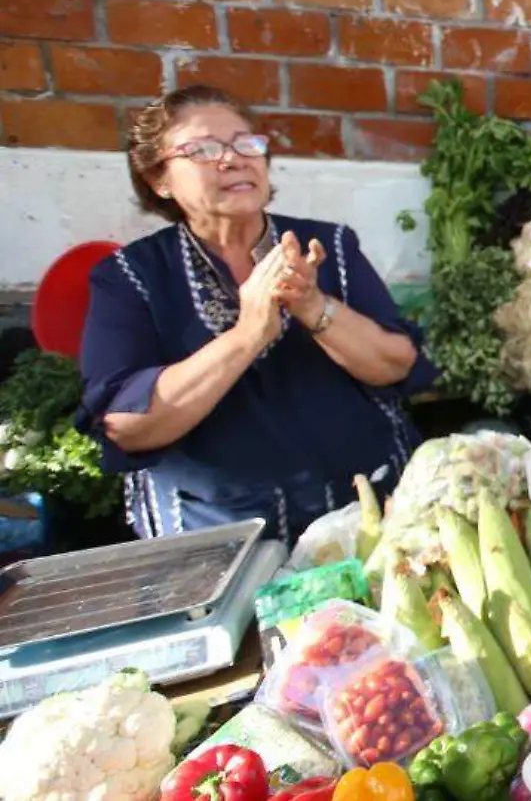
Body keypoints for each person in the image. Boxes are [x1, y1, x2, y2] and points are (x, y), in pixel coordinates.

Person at [76, 85, 434, 542]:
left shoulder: (330, 247)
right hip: (224, 539)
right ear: (157, 179)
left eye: (246, 143)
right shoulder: (129, 277)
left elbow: (396, 363)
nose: (233, 159)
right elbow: (129, 427)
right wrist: (247, 334)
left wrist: (313, 305)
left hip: (367, 514)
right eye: (202, 150)